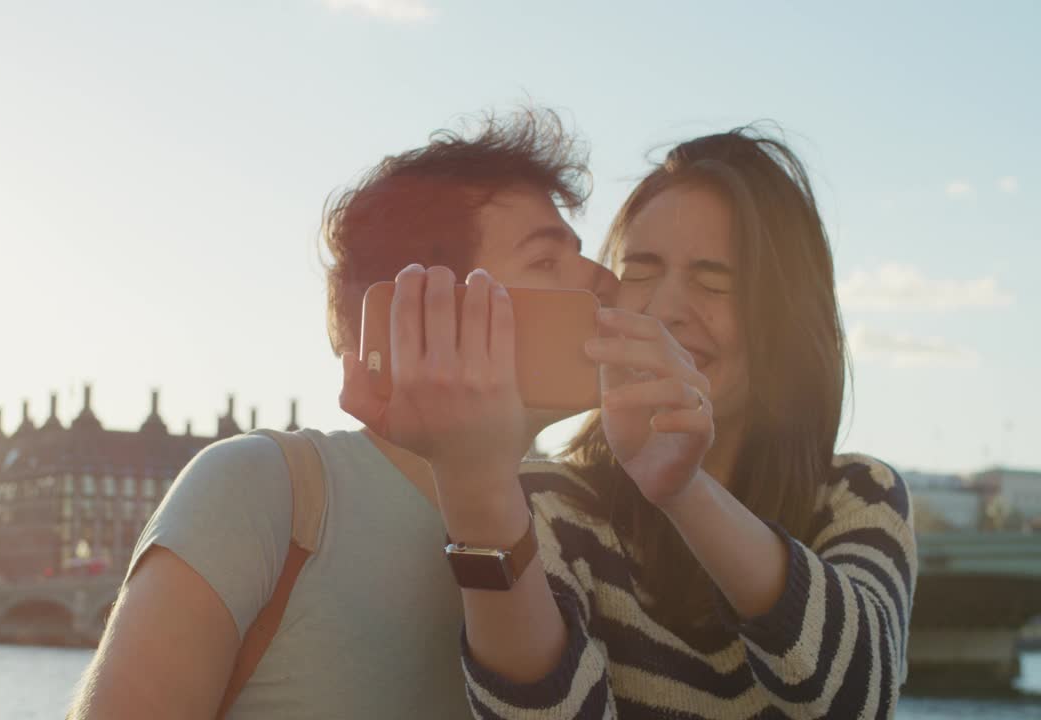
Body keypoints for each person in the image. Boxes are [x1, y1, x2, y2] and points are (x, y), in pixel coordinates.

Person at [67, 108, 618, 720]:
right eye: (546, 261)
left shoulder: (585, 532)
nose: (600, 279)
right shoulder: (261, 486)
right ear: (425, 308)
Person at [348, 128, 916, 718]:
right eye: (641, 271)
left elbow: (857, 698)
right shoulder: (551, 506)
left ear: (790, 317)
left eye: (713, 281)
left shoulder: (857, 496)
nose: (666, 308)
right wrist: (475, 484)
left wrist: (684, 490)